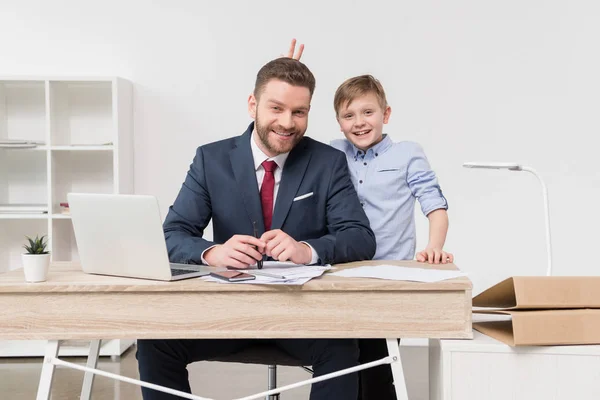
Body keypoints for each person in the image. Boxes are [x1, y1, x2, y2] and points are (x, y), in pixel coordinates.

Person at [135, 57, 377, 400]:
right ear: (253, 105)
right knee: (154, 342)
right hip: (227, 311)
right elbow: (171, 234)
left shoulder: (327, 162)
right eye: (276, 108)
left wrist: (305, 250)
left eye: (299, 112)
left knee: (342, 347)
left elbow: (360, 237)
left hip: (300, 314)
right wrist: (212, 252)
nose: (287, 122)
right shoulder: (211, 159)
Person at [287, 40, 453, 400]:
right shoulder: (332, 152)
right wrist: (288, 76)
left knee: (378, 360)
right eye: (349, 116)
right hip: (339, 273)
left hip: (387, 275)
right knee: (341, 357)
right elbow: (286, 141)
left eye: (368, 113)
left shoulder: (408, 153)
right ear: (338, 121)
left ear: (386, 114)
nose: (359, 123)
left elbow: (434, 205)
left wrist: (434, 248)